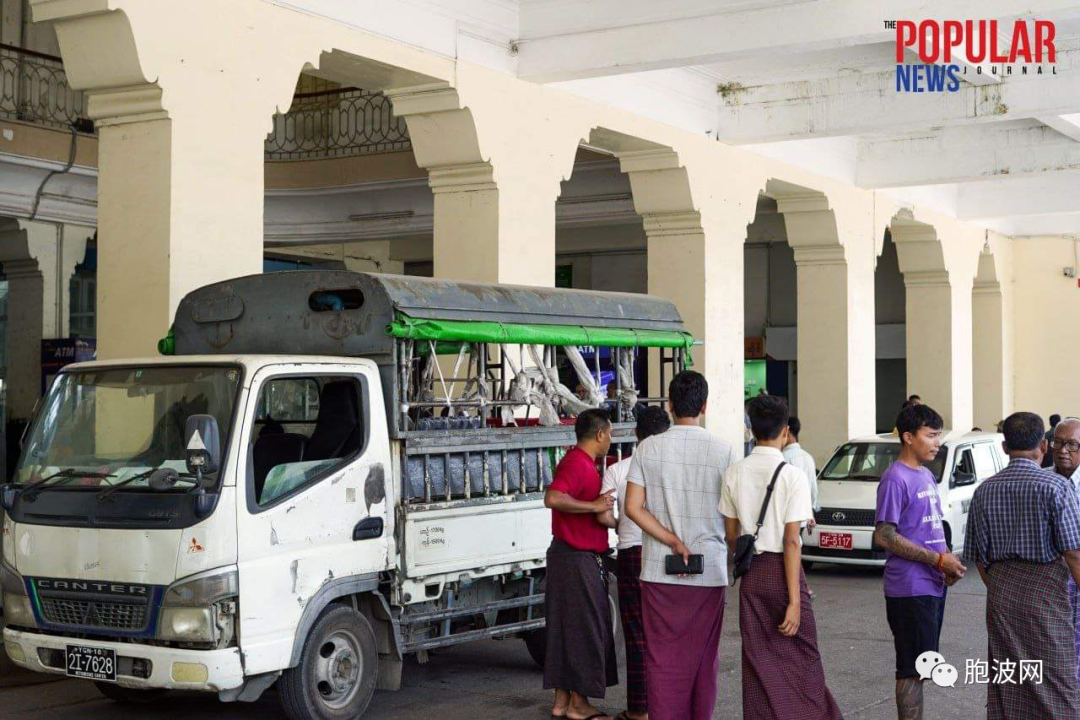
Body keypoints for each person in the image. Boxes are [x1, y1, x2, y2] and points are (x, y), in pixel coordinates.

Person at [624, 371, 738, 720]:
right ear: (704, 405)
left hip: (659, 571)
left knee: (661, 660)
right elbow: (733, 518)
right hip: (709, 573)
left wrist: (671, 539)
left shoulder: (648, 448)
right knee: (703, 658)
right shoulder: (725, 450)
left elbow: (632, 507)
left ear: (670, 405)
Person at [720, 395, 842, 719]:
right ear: (785, 432)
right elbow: (791, 541)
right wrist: (795, 601)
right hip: (783, 573)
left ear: (751, 430)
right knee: (804, 662)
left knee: (759, 664)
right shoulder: (792, 475)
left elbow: (732, 536)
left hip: (752, 576)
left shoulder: (734, 472)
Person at [965, 412, 1080, 719]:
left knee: (1009, 679)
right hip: (1047, 597)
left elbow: (979, 557)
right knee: (1057, 681)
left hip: (1001, 597)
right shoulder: (1055, 486)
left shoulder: (984, 490)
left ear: (1004, 447)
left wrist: (1003, 586)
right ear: (1043, 445)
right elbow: (1073, 552)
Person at [872, 403, 966, 720]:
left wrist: (947, 563)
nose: (937, 443)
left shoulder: (925, 475)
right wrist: (938, 560)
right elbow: (884, 535)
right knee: (912, 667)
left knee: (923, 665)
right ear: (909, 437)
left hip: (932, 584)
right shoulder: (895, 478)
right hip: (909, 588)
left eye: (939, 435)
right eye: (931, 435)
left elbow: (931, 527)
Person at [596, 406, 672, 720]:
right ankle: (668, 705)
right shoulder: (672, 468)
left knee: (637, 633)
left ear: (637, 434)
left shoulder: (620, 469)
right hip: (666, 553)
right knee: (667, 632)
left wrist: (620, 524)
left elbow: (602, 513)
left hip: (631, 554)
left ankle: (640, 710)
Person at [543, 408, 618, 720]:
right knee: (585, 630)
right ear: (600, 434)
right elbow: (553, 497)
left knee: (566, 630)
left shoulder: (583, 461)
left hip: (569, 557)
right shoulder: (576, 463)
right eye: (610, 434)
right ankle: (579, 705)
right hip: (575, 559)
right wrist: (594, 506)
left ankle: (562, 701)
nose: (611, 440)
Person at [1051, 417, 1080, 686]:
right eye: (1058, 443)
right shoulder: (1043, 481)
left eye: (1072, 445)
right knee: (1056, 653)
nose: (1063, 451)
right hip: (1050, 583)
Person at [783, 416, 819, 517]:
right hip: (805, 515)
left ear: (787, 432)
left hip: (789, 517)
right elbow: (813, 488)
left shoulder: (783, 457)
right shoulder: (808, 457)